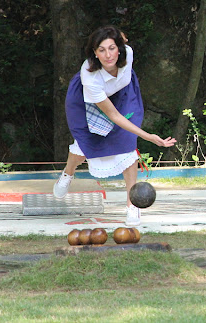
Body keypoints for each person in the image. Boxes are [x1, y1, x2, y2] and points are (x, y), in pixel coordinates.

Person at [53, 25, 176, 225]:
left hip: (123, 94)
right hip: (88, 101)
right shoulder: (90, 77)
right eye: (101, 50)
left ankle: (132, 206)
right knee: (88, 143)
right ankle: (68, 173)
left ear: (119, 48)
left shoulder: (127, 52)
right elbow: (114, 116)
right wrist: (149, 137)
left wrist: (119, 38)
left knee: (127, 143)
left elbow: (122, 40)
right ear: (95, 53)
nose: (108, 55)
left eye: (112, 48)